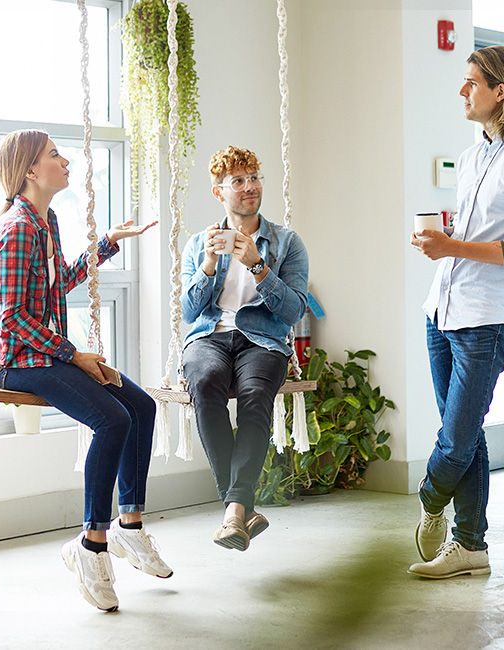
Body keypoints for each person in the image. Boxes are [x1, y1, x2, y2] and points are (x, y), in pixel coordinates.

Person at [0, 129, 171, 612]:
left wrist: (106, 244)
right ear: (29, 171)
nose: (66, 161)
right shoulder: (18, 228)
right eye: (54, 155)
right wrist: (73, 354)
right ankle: (91, 544)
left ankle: (129, 525)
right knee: (113, 420)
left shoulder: (47, 222)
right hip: (11, 362)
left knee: (140, 407)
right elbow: (11, 319)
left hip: (42, 353)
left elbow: (57, 283)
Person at [407, 46, 504, 579]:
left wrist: (451, 246)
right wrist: (440, 241)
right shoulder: (473, 154)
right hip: (440, 309)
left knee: (455, 440)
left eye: (472, 82)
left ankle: (430, 498)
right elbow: (474, 234)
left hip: (487, 318)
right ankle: (471, 546)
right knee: (467, 434)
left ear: (501, 92)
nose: (462, 90)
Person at [180, 146, 309, 551]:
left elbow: (293, 311)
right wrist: (207, 265)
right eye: (238, 180)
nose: (250, 186)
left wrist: (258, 265)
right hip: (209, 336)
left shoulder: (287, 243)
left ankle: (233, 511)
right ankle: (240, 509)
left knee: (256, 395)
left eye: (254, 177)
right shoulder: (200, 243)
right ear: (220, 192)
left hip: (263, 339)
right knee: (204, 382)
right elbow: (188, 311)